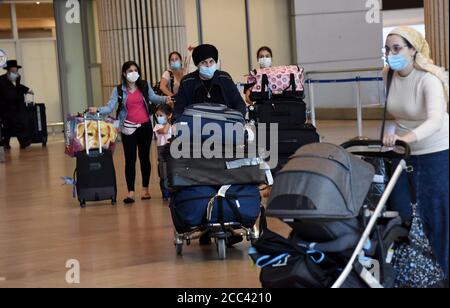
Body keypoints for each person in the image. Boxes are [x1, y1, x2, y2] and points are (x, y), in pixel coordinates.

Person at [382, 26, 449, 279]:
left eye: (397, 48)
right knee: (400, 212)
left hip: (436, 151)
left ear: (413, 51)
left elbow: (435, 121)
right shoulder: (387, 74)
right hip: (404, 152)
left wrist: (404, 138)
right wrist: (397, 140)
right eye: (388, 49)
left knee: (438, 215)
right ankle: (410, 274)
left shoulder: (428, 79)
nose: (391, 54)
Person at [89, 61, 172, 205]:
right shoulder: (119, 90)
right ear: (124, 73)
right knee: (130, 160)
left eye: (135, 70)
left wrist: (166, 98)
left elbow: (153, 98)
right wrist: (97, 109)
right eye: (129, 71)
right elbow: (109, 107)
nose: (133, 73)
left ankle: (145, 189)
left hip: (145, 126)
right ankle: (131, 192)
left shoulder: (144, 86)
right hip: (128, 128)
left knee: (145, 158)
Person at [173, 44, 246, 120]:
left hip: (224, 124)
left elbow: (239, 104)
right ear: (197, 65)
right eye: (204, 63)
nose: (208, 65)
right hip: (196, 126)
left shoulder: (225, 78)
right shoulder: (187, 82)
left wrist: (238, 120)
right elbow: (179, 110)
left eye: (211, 61)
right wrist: (179, 124)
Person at [0, 60, 34, 149]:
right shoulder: (1, 80)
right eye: (13, 71)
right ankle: (6, 143)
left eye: (16, 71)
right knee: (7, 127)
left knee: (21, 124)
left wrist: (27, 89)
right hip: (6, 108)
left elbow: (18, 87)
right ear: (8, 70)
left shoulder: (17, 77)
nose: (15, 73)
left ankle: (24, 143)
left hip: (18, 107)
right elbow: (7, 92)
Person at [153, 104, 174, 201]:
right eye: (157, 116)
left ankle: (172, 190)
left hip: (171, 150)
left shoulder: (173, 126)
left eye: (161, 115)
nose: (158, 118)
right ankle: (165, 192)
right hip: (162, 151)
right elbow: (164, 131)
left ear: (169, 115)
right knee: (163, 172)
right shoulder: (157, 126)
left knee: (171, 171)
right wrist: (169, 121)